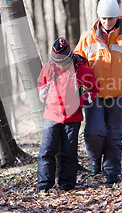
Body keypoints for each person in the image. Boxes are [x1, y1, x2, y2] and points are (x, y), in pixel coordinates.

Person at [74, 0, 122, 184]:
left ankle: (112, 172)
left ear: (117, 17)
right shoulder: (87, 37)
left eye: (110, 19)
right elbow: (78, 61)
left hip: (118, 94)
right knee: (94, 131)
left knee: (114, 134)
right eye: (103, 18)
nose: (106, 22)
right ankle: (95, 158)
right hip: (93, 94)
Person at [37, 37, 100, 192]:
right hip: (51, 115)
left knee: (69, 152)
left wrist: (81, 100)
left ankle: (67, 184)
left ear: (69, 56)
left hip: (73, 117)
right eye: (56, 60)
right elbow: (41, 85)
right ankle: (44, 185)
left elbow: (94, 89)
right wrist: (45, 96)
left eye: (62, 60)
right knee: (46, 151)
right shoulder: (49, 69)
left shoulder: (81, 70)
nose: (59, 63)